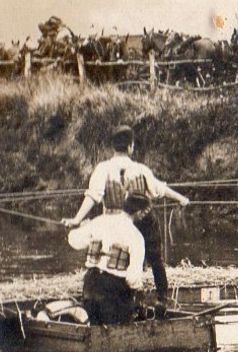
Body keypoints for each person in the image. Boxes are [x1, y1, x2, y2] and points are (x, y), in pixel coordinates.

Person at [66, 125, 190, 312]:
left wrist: (76, 220)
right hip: (144, 221)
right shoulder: (140, 169)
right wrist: (181, 198)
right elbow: (160, 190)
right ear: (131, 146)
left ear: (113, 147)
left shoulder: (103, 169)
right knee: (155, 260)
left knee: (116, 258)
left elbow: (93, 196)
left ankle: (128, 298)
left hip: (113, 223)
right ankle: (162, 299)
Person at [66, 190, 148, 325]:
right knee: (121, 324)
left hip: (90, 285)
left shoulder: (100, 221)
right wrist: (137, 296)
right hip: (114, 290)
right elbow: (133, 278)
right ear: (140, 213)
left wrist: (82, 227)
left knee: (93, 325)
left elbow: (74, 240)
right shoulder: (136, 236)